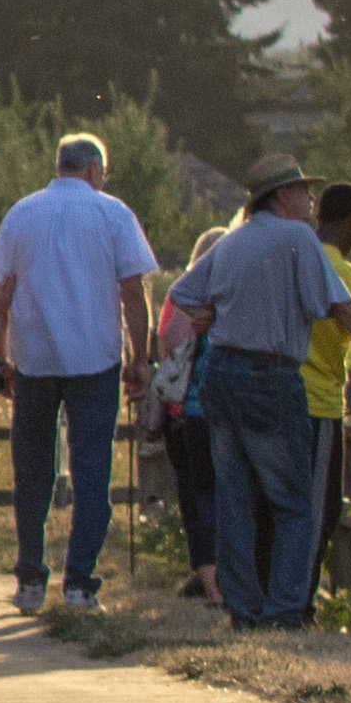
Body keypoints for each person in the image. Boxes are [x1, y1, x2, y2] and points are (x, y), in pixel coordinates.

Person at [169, 154, 351, 629]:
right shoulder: (297, 240)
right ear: (282, 196)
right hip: (271, 375)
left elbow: (185, 293)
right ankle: (285, 610)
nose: (311, 202)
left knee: (235, 499)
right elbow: (347, 312)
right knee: (293, 501)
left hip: (223, 375)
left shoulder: (231, 244)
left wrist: (213, 313)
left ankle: (244, 610)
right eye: (303, 191)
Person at [0, 134, 161, 615]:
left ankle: (31, 578)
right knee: (92, 470)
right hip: (95, 358)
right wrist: (140, 356)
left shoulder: (22, 214)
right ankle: (80, 582)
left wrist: (1, 356)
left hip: (35, 359)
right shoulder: (113, 213)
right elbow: (133, 293)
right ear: (95, 170)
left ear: (59, 166)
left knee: (32, 471)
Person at [303, 182, 351, 600]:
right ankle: (303, 592)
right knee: (323, 507)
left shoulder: (295, 256)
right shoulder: (344, 271)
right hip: (319, 400)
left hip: (277, 394)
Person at [153, 224, 229, 599]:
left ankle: (208, 579)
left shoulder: (179, 294)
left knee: (196, 498)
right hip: (205, 410)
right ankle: (218, 583)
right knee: (217, 494)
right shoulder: (217, 296)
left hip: (181, 411)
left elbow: (168, 342)